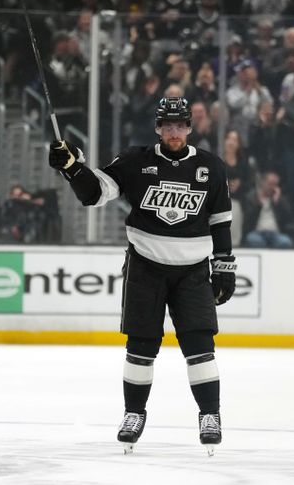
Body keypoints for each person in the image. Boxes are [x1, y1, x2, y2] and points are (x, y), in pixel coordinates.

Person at [48, 97, 234, 454]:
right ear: (158, 128)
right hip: (145, 266)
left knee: (199, 345)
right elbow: (94, 192)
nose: (174, 132)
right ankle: (134, 414)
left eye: (180, 125)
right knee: (141, 346)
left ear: (190, 128)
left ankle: (210, 415)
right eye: (168, 125)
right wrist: (72, 167)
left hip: (193, 271)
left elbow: (221, 222)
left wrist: (223, 264)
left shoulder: (211, 167)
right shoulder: (136, 161)